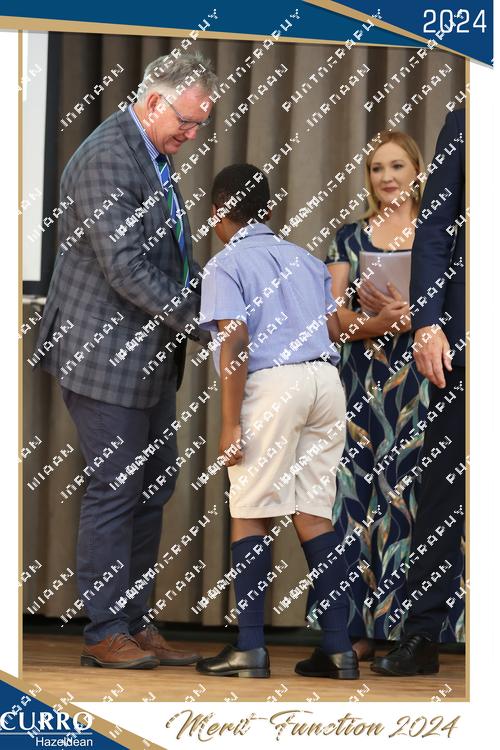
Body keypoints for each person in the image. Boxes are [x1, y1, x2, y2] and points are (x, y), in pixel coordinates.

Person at [32, 53, 218, 669]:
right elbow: (127, 268)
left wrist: (215, 299)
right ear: (154, 101)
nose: (191, 135)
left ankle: (135, 622)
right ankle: (105, 631)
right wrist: (203, 321)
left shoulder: (151, 152)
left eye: (199, 125)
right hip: (102, 352)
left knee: (154, 484)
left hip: (147, 355)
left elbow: (169, 256)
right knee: (117, 487)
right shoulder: (109, 157)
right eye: (187, 121)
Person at [195, 163, 359, 680]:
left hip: (273, 385)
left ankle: (249, 648)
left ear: (218, 213)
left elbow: (236, 342)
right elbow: (333, 328)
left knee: (250, 510)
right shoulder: (306, 259)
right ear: (267, 210)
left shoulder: (225, 264)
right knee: (314, 512)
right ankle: (338, 649)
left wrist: (229, 424)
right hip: (325, 382)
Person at [324, 131, 437, 660]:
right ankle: (353, 628)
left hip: (419, 382)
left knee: (407, 499)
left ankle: (408, 629)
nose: (386, 177)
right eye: (376, 168)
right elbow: (331, 320)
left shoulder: (440, 232)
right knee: (352, 500)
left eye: (396, 166)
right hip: (359, 385)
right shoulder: (349, 237)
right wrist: (378, 322)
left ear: (417, 170)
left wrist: (417, 316)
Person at [371, 109, 466, 676]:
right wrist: (429, 322)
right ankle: (423, 634)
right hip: (468, 342)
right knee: (442, 494)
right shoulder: (470, 116)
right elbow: (437, 227)